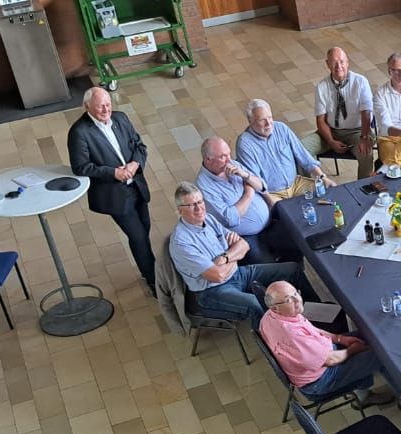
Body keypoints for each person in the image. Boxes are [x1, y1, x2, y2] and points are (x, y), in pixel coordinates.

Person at [166, 183, 313, 327]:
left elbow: (244, 245)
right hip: (212, 291)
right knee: (256, 305)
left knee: (292, 270)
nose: (199, 208)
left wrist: (225, 258)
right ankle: (276, 339)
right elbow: (218, 276)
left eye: (200, 202)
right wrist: (235, 255)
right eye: (191, 205)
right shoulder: (181, 242)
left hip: (237, 274)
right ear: (180, 210)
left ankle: (316, 314)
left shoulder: (208, 219)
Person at [68, 87, 155, 292]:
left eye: (108, 104)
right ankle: (154, 279)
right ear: (87, 106)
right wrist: (113, 173)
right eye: (100, 106)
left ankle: (147, 269)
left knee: (144, 230)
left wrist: (135, 164)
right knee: (138, 236)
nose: (106, 110)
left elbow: (139, 146)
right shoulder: (79, 132)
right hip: (115, 195)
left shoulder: (121, 118)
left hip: (136, 186)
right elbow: (80, 167)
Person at [257, 280, 395, 408]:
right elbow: (330, 360)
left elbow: (312, 330)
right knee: (384, 354)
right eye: (289, 299)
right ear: (275, 308)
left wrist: (340, 339)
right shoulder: (292, 335)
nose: (297, 300)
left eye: (295, 293)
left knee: (370, 335)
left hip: (322, 355)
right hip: (320, 379)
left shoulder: (273, 315)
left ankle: (364, 391)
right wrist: (352, 350)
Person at [234, 99, 335, 201]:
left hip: (296, 184)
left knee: (329, 196)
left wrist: (322, 177)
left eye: (270, 117)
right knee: (284, 211)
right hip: (272, 193)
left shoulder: (281, 128)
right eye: (262, 120)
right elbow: (254, 179)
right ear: (250, 121)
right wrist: (270, 202)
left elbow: (304, 156)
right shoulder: (244, 144)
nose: (268, 123)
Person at [194, 136, 274, 263]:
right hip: (247, 238)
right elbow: (230, 219)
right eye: (223, 156)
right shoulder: (203, 187)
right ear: (208, 159)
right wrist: (249, 192)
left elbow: (262, 186)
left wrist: (246, 176)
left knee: (296, 242)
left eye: (229, 154)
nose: (229, 159)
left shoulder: (233, 165)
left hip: (271, 221)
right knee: (270, 265)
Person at [304, 47, 376, 178]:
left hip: (357, 131)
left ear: (347, 62)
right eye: (334, 62)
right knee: (300, 150)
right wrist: (331, 141)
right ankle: (305, 187)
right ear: (327, 64)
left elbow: (366, 113)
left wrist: (364, 137)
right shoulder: (322, 86)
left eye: (342, 62)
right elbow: (320, 120)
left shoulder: (360, 82)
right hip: (330, 131)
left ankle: (362, 187)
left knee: (366, 153)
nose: (339, 66)